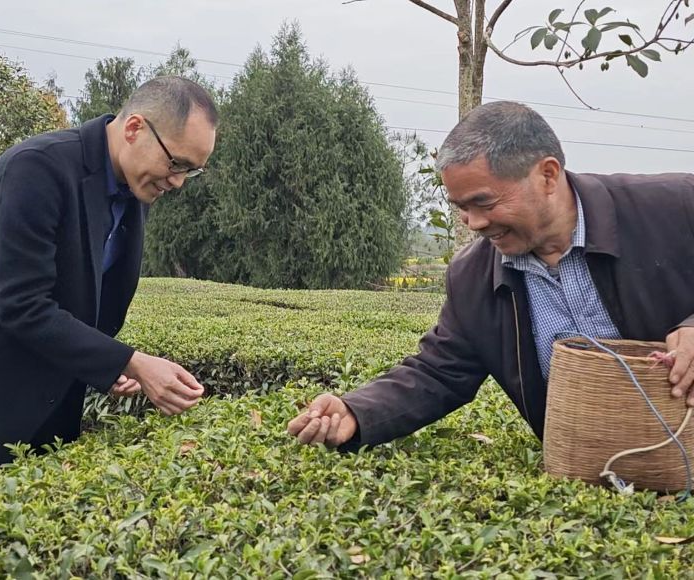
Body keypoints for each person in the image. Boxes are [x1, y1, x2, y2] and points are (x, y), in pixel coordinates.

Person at [288, 101, 694, 450]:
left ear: (548, 175)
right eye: (461, 207)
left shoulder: (674, 208)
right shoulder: (473, 275)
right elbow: (439, 370)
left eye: (484, 202)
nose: (473, 223)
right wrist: (358, 412)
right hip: (591, 475)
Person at [0, 76, 218, 502]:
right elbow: (22, 304)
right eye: (175, 163)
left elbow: (83, 299)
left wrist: (107, 363)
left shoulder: (131, 192)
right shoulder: (38, 167)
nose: (177, 182)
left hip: (47, 402)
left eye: (190, 171)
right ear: (135, 128)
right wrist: (133, 362)